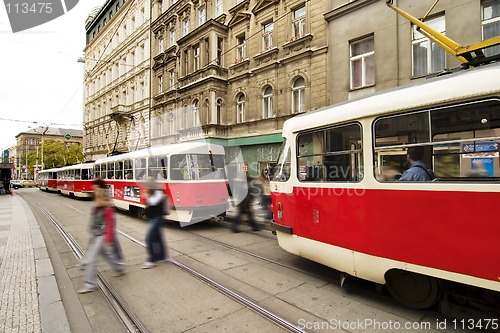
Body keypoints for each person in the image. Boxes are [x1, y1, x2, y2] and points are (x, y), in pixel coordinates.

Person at [78, 178, 125, 294]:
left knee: (92, 259)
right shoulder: (97, 206)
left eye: (95, 192)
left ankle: (90, 284)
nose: (93, 192)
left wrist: (108, 239)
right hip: (96, 234)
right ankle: (119, 267)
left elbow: (110, 225)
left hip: (101, 235)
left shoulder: (107, 207)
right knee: (105, 254)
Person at [142, 177, 170, 269]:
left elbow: (153, 202)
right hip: (153, 218)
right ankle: (163, 256)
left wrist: (146, 196)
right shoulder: (153, 192)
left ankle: (152, 260)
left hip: (158, 218)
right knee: (158, 238)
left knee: (149, 238)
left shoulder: (158, 192)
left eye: (147, 184)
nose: (145, 186)